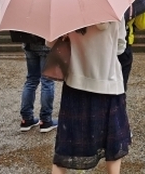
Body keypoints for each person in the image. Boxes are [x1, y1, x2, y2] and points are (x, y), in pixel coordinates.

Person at [51, 21, 130, 173]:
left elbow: (51, 43)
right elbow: (121, 47)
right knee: (113, 147)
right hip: (109, 84)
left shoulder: (68, 10)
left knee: (65, 148)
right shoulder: (113, 11)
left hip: (76, 85)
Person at [19, 33, 57, 133]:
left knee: (31, 80)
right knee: (47, 82)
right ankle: (45, 120)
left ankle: (26, 118)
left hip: (29, 43)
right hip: (45, 44)